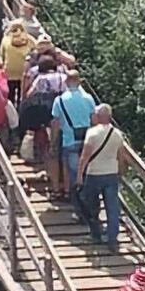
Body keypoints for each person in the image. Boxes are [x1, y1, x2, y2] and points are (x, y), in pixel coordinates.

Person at [76, 104, 130, 251]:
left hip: (94, 174)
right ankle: (113, 240)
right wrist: (121, 172)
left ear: (98, 117)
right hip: (111, 174)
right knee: (112, 208)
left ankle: (96, 235)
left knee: (92, 206)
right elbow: (121, 156)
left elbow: (85, 156)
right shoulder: (117, 134)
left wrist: (80, 175)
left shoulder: (92, 133)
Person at [19, 55, 66, 193]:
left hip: (45, 115)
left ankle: (52, 176)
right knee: (60, 144)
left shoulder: (41, 79)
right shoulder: (63, 77)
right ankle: (63, 178)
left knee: (49, 147)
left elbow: (29, 94)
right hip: (62, 115)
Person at [51, 70, 97, 198]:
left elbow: (55, 123)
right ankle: (86, 194)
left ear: (66, 82)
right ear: (79, 82)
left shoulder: (59, 100)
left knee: (67, 167)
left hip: (69, 139)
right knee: (86, 167)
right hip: (87, 139)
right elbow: (94, 120)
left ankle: (68, 192)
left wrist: (53, 142)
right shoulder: (89, 98)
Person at [2, 19, 36, 104]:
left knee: (10, 96)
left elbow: (2, 54)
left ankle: (11, 114)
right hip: (24, 72)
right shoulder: (29, 39)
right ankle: (21, 112)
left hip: (10, 72)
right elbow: (36, 50)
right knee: (23, 96)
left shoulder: (6, 39)